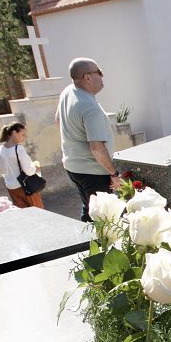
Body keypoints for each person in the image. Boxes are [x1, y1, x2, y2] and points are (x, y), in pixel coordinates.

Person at [58, 57, 118, 222]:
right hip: (93, 171)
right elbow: (97, 149)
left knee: (89, 209)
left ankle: (84, 241)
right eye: (99, 72)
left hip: (74, 166)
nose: (102, 76)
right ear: (87, 77)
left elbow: (58, 120)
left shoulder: (68, 91)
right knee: (105, 220)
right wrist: (113, 173)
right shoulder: (90, 108)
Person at [0, 122, 44, 209]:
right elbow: (29, 171)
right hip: (25, 186)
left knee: (24, 213)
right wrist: (36, 168)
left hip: (11, 187)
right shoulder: (18, 149)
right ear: (14, 133)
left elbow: (2, 170)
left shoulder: (2, 148)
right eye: (23, 135)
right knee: (38, 211)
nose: (24, 137)